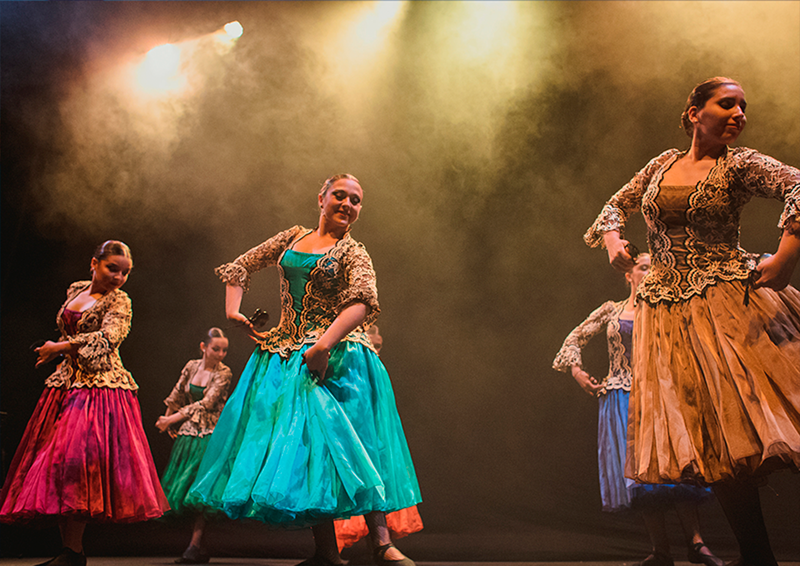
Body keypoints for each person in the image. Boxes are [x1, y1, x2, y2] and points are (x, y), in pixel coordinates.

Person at [584, 77, 800, 566]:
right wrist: (614, 241)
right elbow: (612, 206)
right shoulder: (661, 163)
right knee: (716, 440)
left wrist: (787, 255)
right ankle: (757, 555)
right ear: (694, 113)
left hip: (727, 302)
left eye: (744, 106)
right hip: (668, 315)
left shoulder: (739, 165)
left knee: (770, 420)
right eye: (727, 104)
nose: (739, 113)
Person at [189, 174, 421, 566]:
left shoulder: (353, 253)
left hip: (340, 356)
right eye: (340, 195)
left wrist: (323, 345)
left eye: (356, 200)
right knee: (307, 449)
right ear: (321, 198)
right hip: (286, 355)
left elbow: (363, 301)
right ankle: (325, 551)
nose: (348, 204)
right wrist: (234, 313)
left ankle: (381, 542)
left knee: (357, 443)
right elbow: (239, 267)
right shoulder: (292, 238)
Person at [0, 240, 169, 566]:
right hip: (65, 385)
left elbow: (108, 339)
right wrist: (54, 350)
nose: (119, 277)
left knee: (77, 462)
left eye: (125, 272)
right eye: (112, 268)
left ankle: (73, 551)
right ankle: (70, 551)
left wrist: (60, 348)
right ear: (94, 263)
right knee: (58, 466)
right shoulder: (76, 290)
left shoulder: (120, 301)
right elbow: (68, 331)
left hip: (99, 388)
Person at [553, 254, 722, 566]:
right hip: (620, 399)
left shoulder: (668, 307)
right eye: (644, 267)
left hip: (661, 397)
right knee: (641, 479)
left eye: (654, 268)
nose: (649, 273)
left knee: (677, 470)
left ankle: (697, 544)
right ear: (628, 275)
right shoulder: (612, 309)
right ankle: (661, 551)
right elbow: (573, 339)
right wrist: (578, 372)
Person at [333, 325, 423, 555]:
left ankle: (380, 541)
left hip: (362, 383)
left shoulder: (372, 367)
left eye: (379, 345)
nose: (377, 348)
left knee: (379, 458)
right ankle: (337, 547)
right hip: (344, 374)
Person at [156, 327, 233, 564]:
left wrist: (172, 419)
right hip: (188, 435)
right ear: (204, 347)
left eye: (224, 350)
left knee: (201, 491)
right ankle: (194, 546)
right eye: (216, 349)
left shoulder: (224, 372)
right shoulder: (192, 366)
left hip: (210, 435)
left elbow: (206, 404)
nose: (220, 354)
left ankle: (194, 544)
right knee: (182, 487)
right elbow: (178, 392)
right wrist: (167, 418)